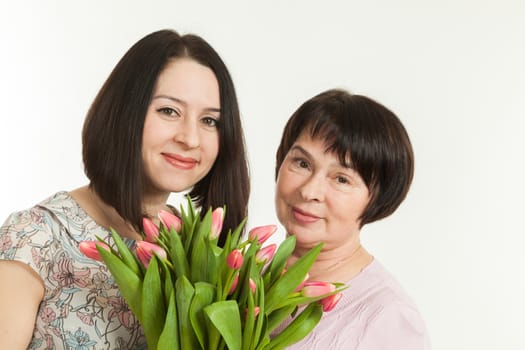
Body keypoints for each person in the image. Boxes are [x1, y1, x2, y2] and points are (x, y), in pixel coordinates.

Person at [0, 29, 250, 350]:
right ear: (125, 113)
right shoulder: (35, 239)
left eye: (210, 121)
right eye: (169, 111)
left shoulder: (197, 250)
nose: (190, 138)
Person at [272, 89, 431, 349]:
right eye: (302, 163)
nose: (310, 191)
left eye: (341, 179)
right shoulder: (244, 274)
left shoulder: (388, 318)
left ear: (377, 200)